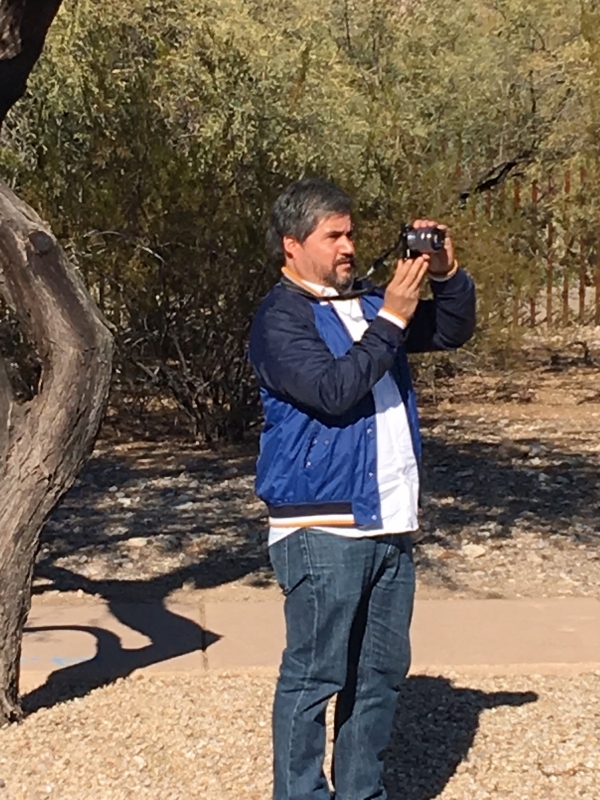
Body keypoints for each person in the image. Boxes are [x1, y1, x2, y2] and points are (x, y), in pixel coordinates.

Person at [248, 178, 476, 800]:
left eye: (351, 233)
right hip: (322, 527)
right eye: (334, 236)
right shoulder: (279, 320)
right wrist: (394, 316)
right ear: (293, 245)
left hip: (391, 521)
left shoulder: (370, 303)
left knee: (379, 676)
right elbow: (333, 391)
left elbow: (453, 329)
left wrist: (448, 274)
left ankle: (361, 793)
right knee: (314, 676)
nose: (349, 246)